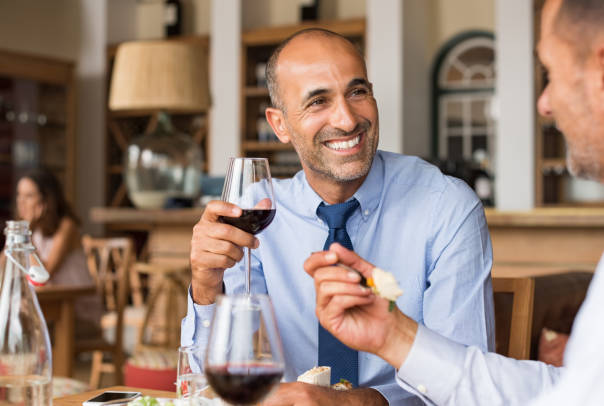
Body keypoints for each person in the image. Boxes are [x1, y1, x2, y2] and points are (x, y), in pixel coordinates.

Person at [305, 0, 604, 404]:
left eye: (551, 74)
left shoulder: (445, 204)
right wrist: (396, 337)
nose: (544, 103)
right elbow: (571, 394)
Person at [183, 28, 495, 405]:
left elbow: (467, 390)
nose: (347, 120)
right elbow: (208, 384)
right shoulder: (257, 212)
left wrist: (354, 403)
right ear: (279, 124)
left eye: (357, 92)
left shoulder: (446, 208)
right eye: (318, 101)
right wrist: (205, 288)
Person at [15, 168, 102, 335]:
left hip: (75, 313)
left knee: (21, 329)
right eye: (19, 195)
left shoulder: (67, 226)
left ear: (45, 201)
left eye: (29, 196)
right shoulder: (33, 231)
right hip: (49, 310)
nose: (21, 202)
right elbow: (2, 263)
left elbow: (43, 275)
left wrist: (26, 234)